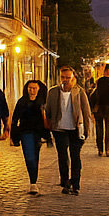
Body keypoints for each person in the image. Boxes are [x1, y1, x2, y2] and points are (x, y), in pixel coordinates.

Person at [45, 65, 92, 195]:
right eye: (63, 77)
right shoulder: (53, 92)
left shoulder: (79, 92)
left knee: (75, 156)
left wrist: (86, 131)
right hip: (59, 129)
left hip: (75, 129)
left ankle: (75, 183)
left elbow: (86, 111)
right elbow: (48, 111)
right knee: (62, 157)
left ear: (73, 78)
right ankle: (65, 182)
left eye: (68, 77)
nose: (65, 80)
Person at [9, 79, 50, 195]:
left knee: (35, 156)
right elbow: (15, 119)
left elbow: (48, 117)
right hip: (25, 132)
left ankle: (33, 182)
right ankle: (33, 181)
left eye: (34, 88)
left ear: (38, 89)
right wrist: (13, 134)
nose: (32, 91)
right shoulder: (22, 102)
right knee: (29, 156)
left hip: (39, 133)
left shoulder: (42, 102)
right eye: (30, 88)